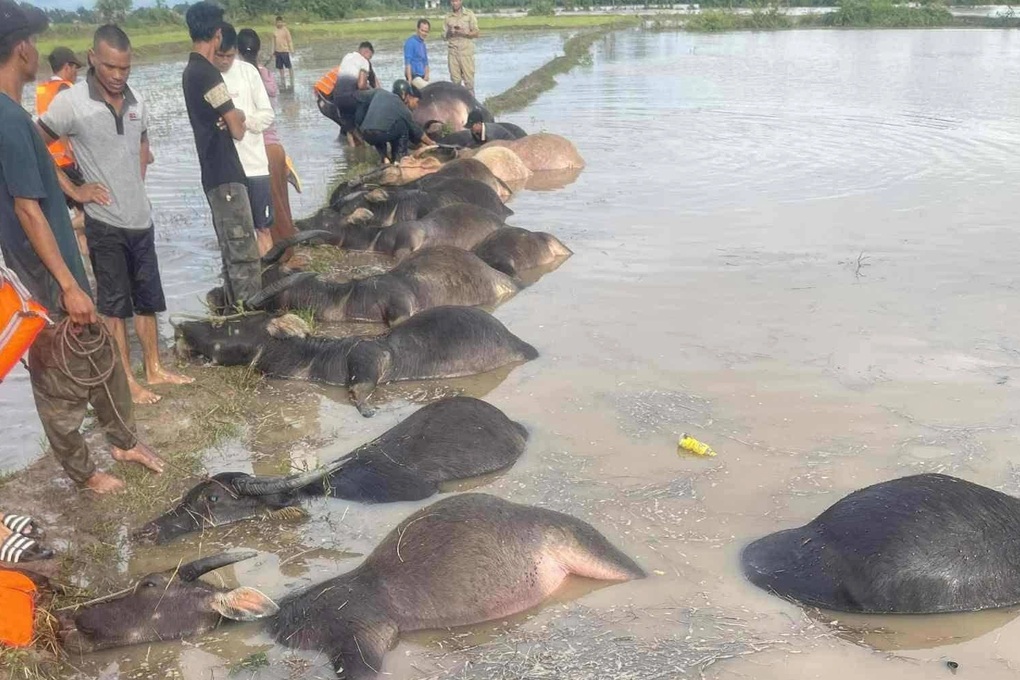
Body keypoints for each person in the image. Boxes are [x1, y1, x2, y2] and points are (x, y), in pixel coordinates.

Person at [0, 0, 164, 494]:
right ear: (24, 50)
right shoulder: (8, 120)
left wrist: (72, 199)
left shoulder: (16, 117)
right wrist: (69, 284)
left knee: (101, 356)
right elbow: (28, 210)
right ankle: (83, 472)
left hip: (57, 267)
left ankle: (122, 439)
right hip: (44, 277)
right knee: (56, 380)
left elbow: (41, 188)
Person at [38, 24, 194, 406]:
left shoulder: (139, 101)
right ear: (93, 58)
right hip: (105, 222)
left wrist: (136, 180)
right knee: (113, 307)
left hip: (141, 217)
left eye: (125, 68)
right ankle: (126, 379)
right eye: (110, 67)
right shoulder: (71, 103)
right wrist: (75, 190)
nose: (118, 76)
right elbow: (35, 145)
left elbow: (143, 143)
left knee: (147, 300)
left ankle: (154, 368)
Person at [182, 1, 261, 311]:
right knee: (243, 251)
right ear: (217, 34)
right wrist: (238, 113)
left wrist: (232, 117)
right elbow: (238, 129)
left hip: (212, 173)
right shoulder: (209, 74)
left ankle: (233, 316)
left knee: (231, 251)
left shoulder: (190, 72)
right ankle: (249, 319)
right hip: (226, 174)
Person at [213, 23, 275, 257]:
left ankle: (267, 280)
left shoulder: (249, 73)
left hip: (255, 165)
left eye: (229, 56)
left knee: (263, 228)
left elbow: (267, 115)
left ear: (235, 51)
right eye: (219, 55)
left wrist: (241, 120)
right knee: (235, 233)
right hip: (226, 170)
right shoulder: (209, 76)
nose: (224, 61)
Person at [236, 28, 297, 255]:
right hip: (276, 148)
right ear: (259, 49)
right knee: (282, 205)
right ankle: (288, 251)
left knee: (264, 212)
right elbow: (272, 94)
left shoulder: (239, 76)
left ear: (236, 51)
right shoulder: (265, 74)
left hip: (257, 152)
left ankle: (277, 256)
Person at [35, 46, 86, 255]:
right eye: (75, 68)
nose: (76, 73)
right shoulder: (65, 89)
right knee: (93, 212)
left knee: (80, 213)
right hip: (66, 161)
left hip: (49, 161)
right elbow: (62, 124)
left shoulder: (43, 88)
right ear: (67, 66)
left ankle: (90, 268)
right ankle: (52, 234)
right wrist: (72, 152)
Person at [357, 79, 435, 165]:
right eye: (417, 102)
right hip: (380, 133)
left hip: (366, 133)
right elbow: (417, 131)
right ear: (408, 96)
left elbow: (360, 98)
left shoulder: (380, 93)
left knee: (385, 126)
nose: (416, 105)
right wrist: (431, 143)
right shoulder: (401, 107)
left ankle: (384, 158)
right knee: (403, 125)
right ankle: (400, 159)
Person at [333, 41, 377, 145]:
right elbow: (361, 85)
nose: (369, 60)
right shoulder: (363, 61)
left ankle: (353, 152)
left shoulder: (347, 57)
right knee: (368, 108)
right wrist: (370, 88)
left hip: (337, 98)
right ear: (367, 52)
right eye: (370, 57)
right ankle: (366, 144)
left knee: (349, 127)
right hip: (351, 97)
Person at [444, 0, 479, 94]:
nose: (455, 3)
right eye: (453, 1)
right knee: (455, 84)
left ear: (461, 1)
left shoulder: (469, 14)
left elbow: (476, 33)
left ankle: (472, 107)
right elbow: (444, 36)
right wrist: (449, 32)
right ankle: (458, 107)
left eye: (457, 1)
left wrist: (465, 32)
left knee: (469, 83)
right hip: (453, 53)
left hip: (466, 53)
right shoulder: (448, 17)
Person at [403, 19, 430, 91]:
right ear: (417, 29)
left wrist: (427, 76)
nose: (424, 33)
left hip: (422, 77)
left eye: (426, 32)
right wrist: (409, 80)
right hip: (414, 77)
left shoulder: (422, 44)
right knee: (430, 89)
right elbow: (408, 63)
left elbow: (426, 62)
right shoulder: (410, 43)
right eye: (422, 30)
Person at [272, 15, 293, 92]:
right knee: (280, 67)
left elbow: (289, 40)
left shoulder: (285, 30)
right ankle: (282, 79)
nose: (279, 23)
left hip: (285, 50)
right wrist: (273, 51)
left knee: (288, 66)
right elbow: (273, 42)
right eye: (278, 22)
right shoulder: (275, 31)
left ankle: (291, 78)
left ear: (282, 23)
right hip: (278, 51)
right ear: (276, 23)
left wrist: (291, 49)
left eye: (280, 22)